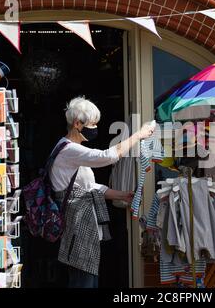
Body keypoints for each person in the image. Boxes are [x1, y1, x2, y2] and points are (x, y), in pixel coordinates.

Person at [49, 96, 155, 288]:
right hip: (79, 228)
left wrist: (123, 195)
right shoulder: (69, 150)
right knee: (83, 283)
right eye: (92, 124)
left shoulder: (70, 149)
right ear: (77, 123)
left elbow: (89, 187)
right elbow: (107, 156)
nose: (95, 128)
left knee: (87, 280)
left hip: (82, 228)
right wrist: (138, 135)